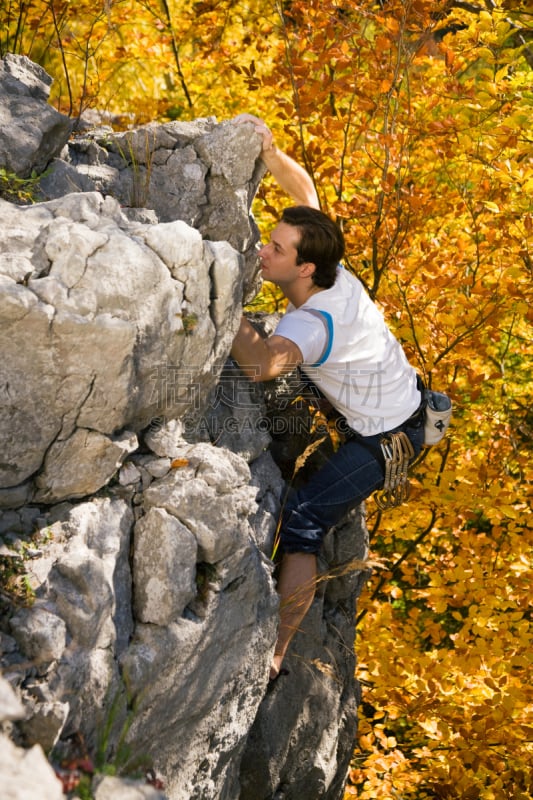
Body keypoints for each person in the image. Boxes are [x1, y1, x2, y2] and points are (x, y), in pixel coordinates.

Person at [230, 114, 425, 681]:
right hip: (388, 397)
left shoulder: (316, 322)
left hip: (386, 434)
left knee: (305, 520)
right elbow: (307, 192)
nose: (263, 251)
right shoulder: (328, 265)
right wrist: (268, 152)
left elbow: (266, 365)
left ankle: (278, 653)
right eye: (268, 240)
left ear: (305, 267)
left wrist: (225, 303)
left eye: (275, 248)